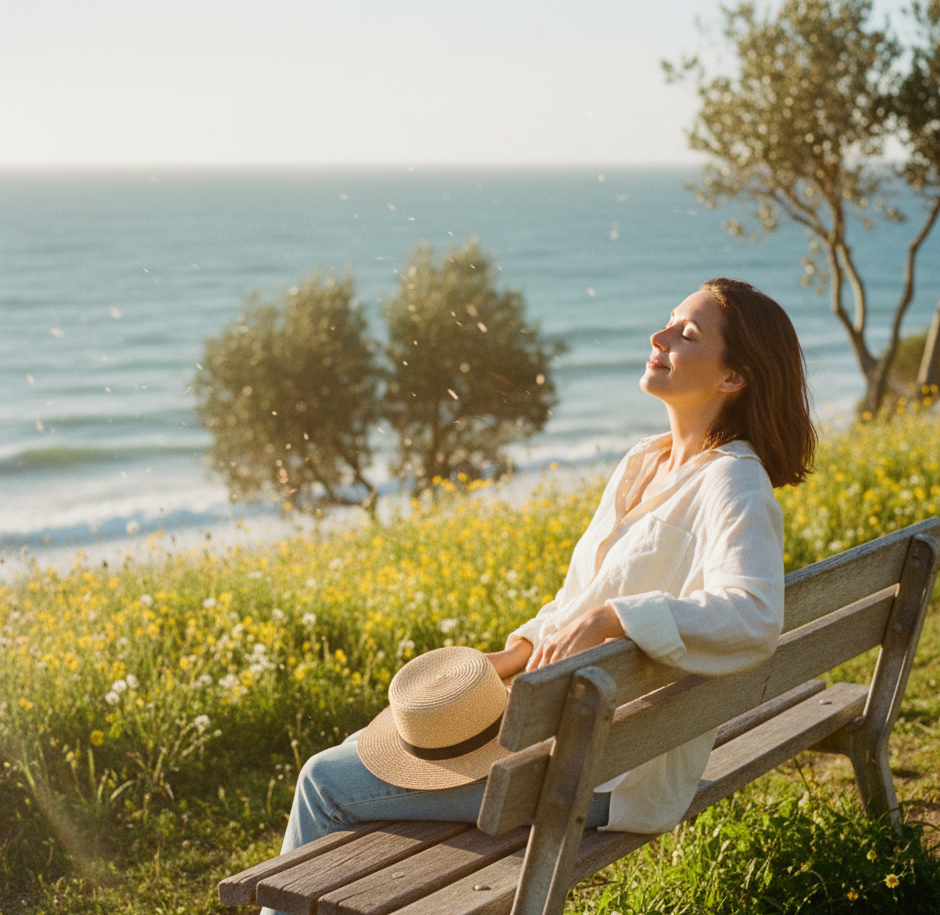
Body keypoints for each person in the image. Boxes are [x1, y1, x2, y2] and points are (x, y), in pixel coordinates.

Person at [260, 277, 815, 915]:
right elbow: (576, 599)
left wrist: (615, 619)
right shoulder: (645, 464)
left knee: (325, 784)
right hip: (573, 738)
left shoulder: (732, 483)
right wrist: (513, 653)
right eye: (667, 322)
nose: (658, 338)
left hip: (609, 772)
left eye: (685, 336)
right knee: (357, 773)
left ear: (733, 379)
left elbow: (752, 617)